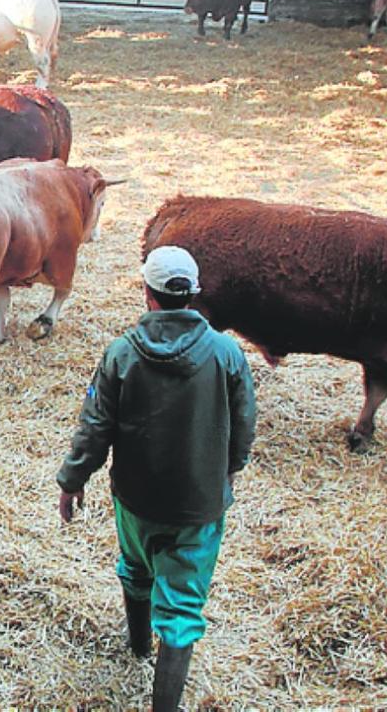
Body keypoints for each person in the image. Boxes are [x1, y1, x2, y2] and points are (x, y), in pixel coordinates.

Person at [56, 245, 256, 712]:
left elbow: (94, 427)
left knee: (136, 568)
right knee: (182, 605)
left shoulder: (121, 352)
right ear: (193, 295)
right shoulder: (226, 353)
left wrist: (72, 479)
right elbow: (244, 426)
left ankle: (139, 646)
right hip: (198, 506)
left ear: (147, 293)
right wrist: (228, 470)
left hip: (134, 500)